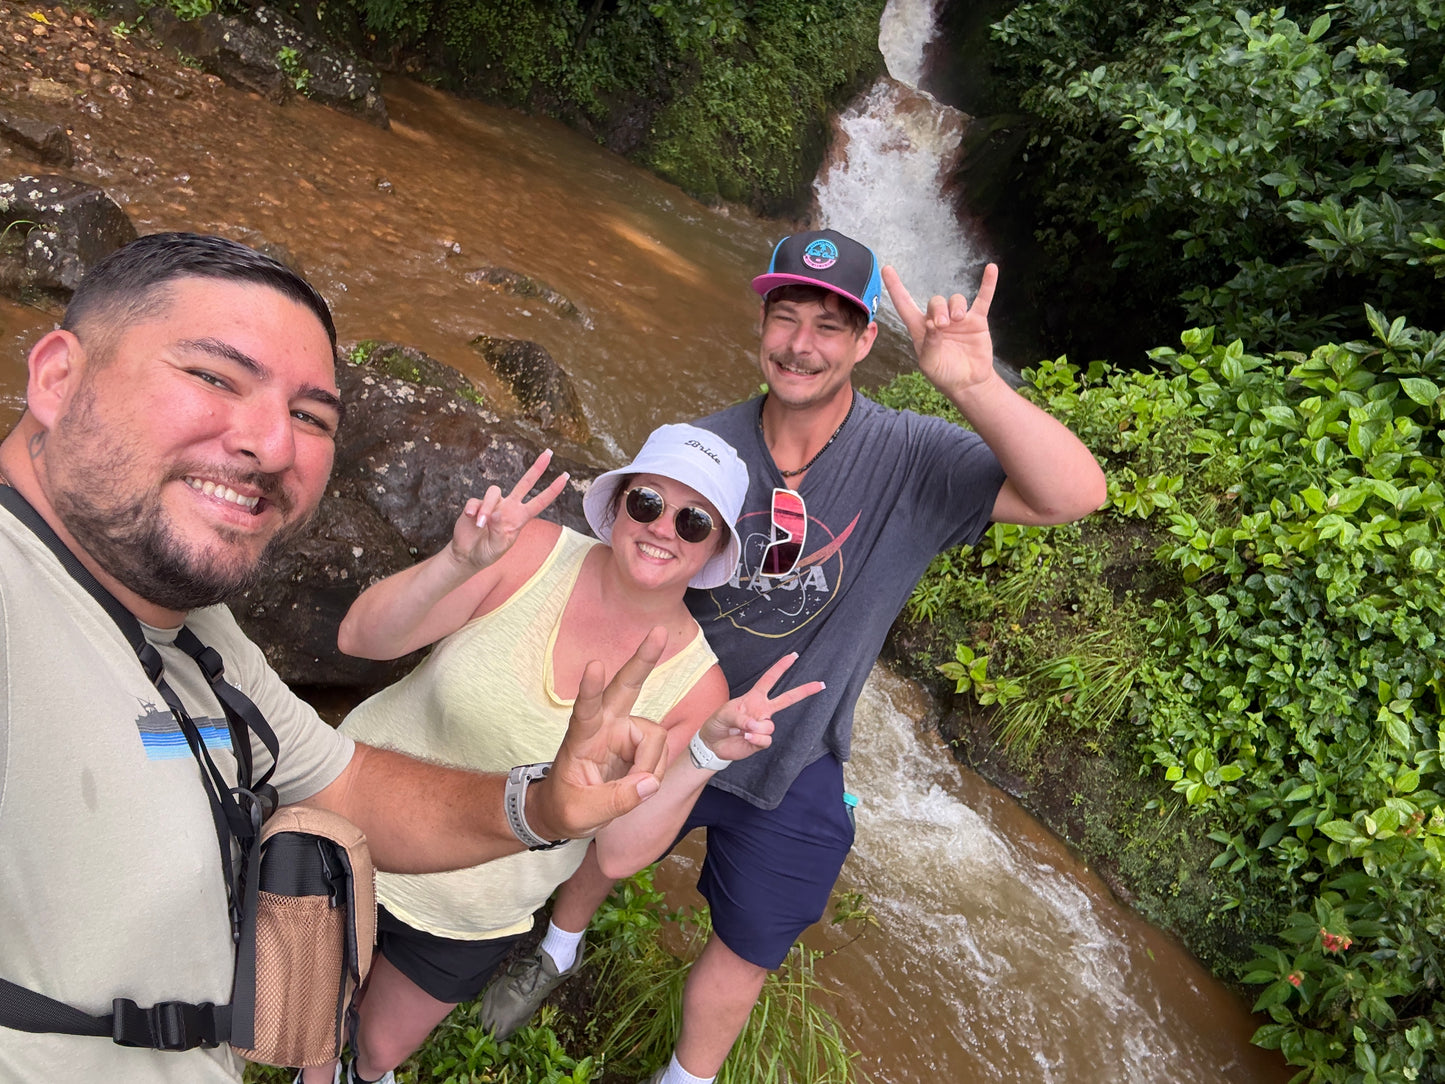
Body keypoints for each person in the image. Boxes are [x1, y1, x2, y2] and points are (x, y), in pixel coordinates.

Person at [0, 232, 693, 1084]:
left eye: (311, 416)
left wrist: (544, 804)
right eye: (214, 376)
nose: (272, 444)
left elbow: (345, 783)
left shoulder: (199, 632)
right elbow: (366, 639)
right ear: (57, 378)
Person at [486, 228, 1110, 1084]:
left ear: (863, 342)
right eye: (785, 317)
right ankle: (557, 949)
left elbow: (1073, 494)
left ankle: (685, 1079)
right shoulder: (703, 450)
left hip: (798, 745)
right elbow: (625, 568)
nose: (800, 344)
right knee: (602, 845)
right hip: (677, 713)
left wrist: (971, 384)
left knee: (750, 943)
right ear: (761, 327)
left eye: (828, 324)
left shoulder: (913, 459)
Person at [305, 424, 820, 1084]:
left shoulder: (697, 686)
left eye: (694, 521)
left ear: (714, 548)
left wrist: (705, 754)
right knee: (308, 1023)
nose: (664, 528)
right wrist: (457, 563)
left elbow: (619, 852)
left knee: (377, 1054)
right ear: (618, 504)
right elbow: (360, 639)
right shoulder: (529, 553)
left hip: (474, 907)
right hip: (348, 824)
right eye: (648, 503)